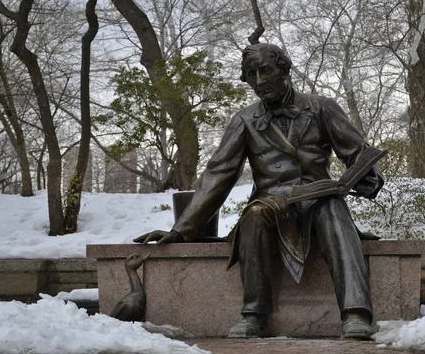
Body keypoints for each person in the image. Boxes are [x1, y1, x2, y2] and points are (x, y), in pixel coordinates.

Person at [134, 43, 384, 339]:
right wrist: (180, 230)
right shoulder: (244, 120)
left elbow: (358, 152)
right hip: (272, 201)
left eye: (265, 71)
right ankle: (254, 314)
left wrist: (369, 176)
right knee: (253, 215)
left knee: (333, 211)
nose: (259, 81)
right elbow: (219, 173)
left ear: (284, 70)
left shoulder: (321, 107)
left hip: (319, 197)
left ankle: (356, 313)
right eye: (251, 75)